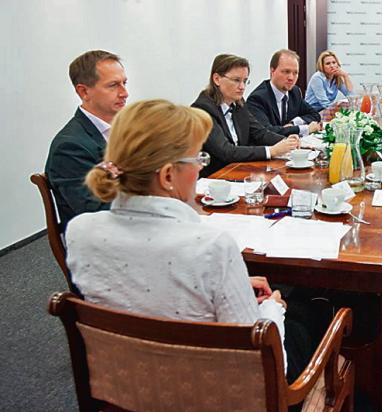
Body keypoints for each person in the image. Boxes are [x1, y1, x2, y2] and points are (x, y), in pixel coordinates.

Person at [65, 99, 321, 384]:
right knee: (309, 312)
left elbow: (144, 282)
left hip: (127, 383)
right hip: (214, 391)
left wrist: (227, 283)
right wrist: (273, 309)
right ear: (167, 176)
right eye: (198, 158)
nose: (200, 167)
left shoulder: (80, 232)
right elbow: (262, 366)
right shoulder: (210, 247)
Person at [45, 50, 128, 231]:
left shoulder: (126, 127)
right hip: (102, 235)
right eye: (113, 85)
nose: (125, 93)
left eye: (124, 83)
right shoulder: (69, 147)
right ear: (84, 91)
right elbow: (96, 211)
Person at [191, 54, 298, 177]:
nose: (242, 87)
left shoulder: (238, 103)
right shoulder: (203, 109)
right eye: (236, 80)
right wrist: (271, 151)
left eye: (245, 81)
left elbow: (260, 133)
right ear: (217, 79)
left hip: (238, 171)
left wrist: (287, 142)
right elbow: (226, 151)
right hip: (215, 178)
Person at [247, 49, 322, 137]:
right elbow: (267, 132)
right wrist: (305, 129)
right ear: (272, 71)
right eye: (286, 72)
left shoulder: (294, 92)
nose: (291, 78)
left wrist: (293, 123)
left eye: (295, 73)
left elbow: (315, 115)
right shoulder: (257, 98)